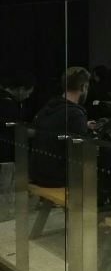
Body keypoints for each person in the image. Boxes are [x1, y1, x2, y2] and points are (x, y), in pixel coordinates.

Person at [30, 67, 91, 187]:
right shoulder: (75, 114)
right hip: (58, 177)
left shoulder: (47, 108)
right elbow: (79, 151)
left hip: (37, 173)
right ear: (83, 87)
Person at [0, 71, 35, 220]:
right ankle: (4, 215)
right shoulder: (8, 104)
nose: (27, 96)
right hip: (6, 153)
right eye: (28, 92)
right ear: (20, 89)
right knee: (5, 187)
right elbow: (17, 131)